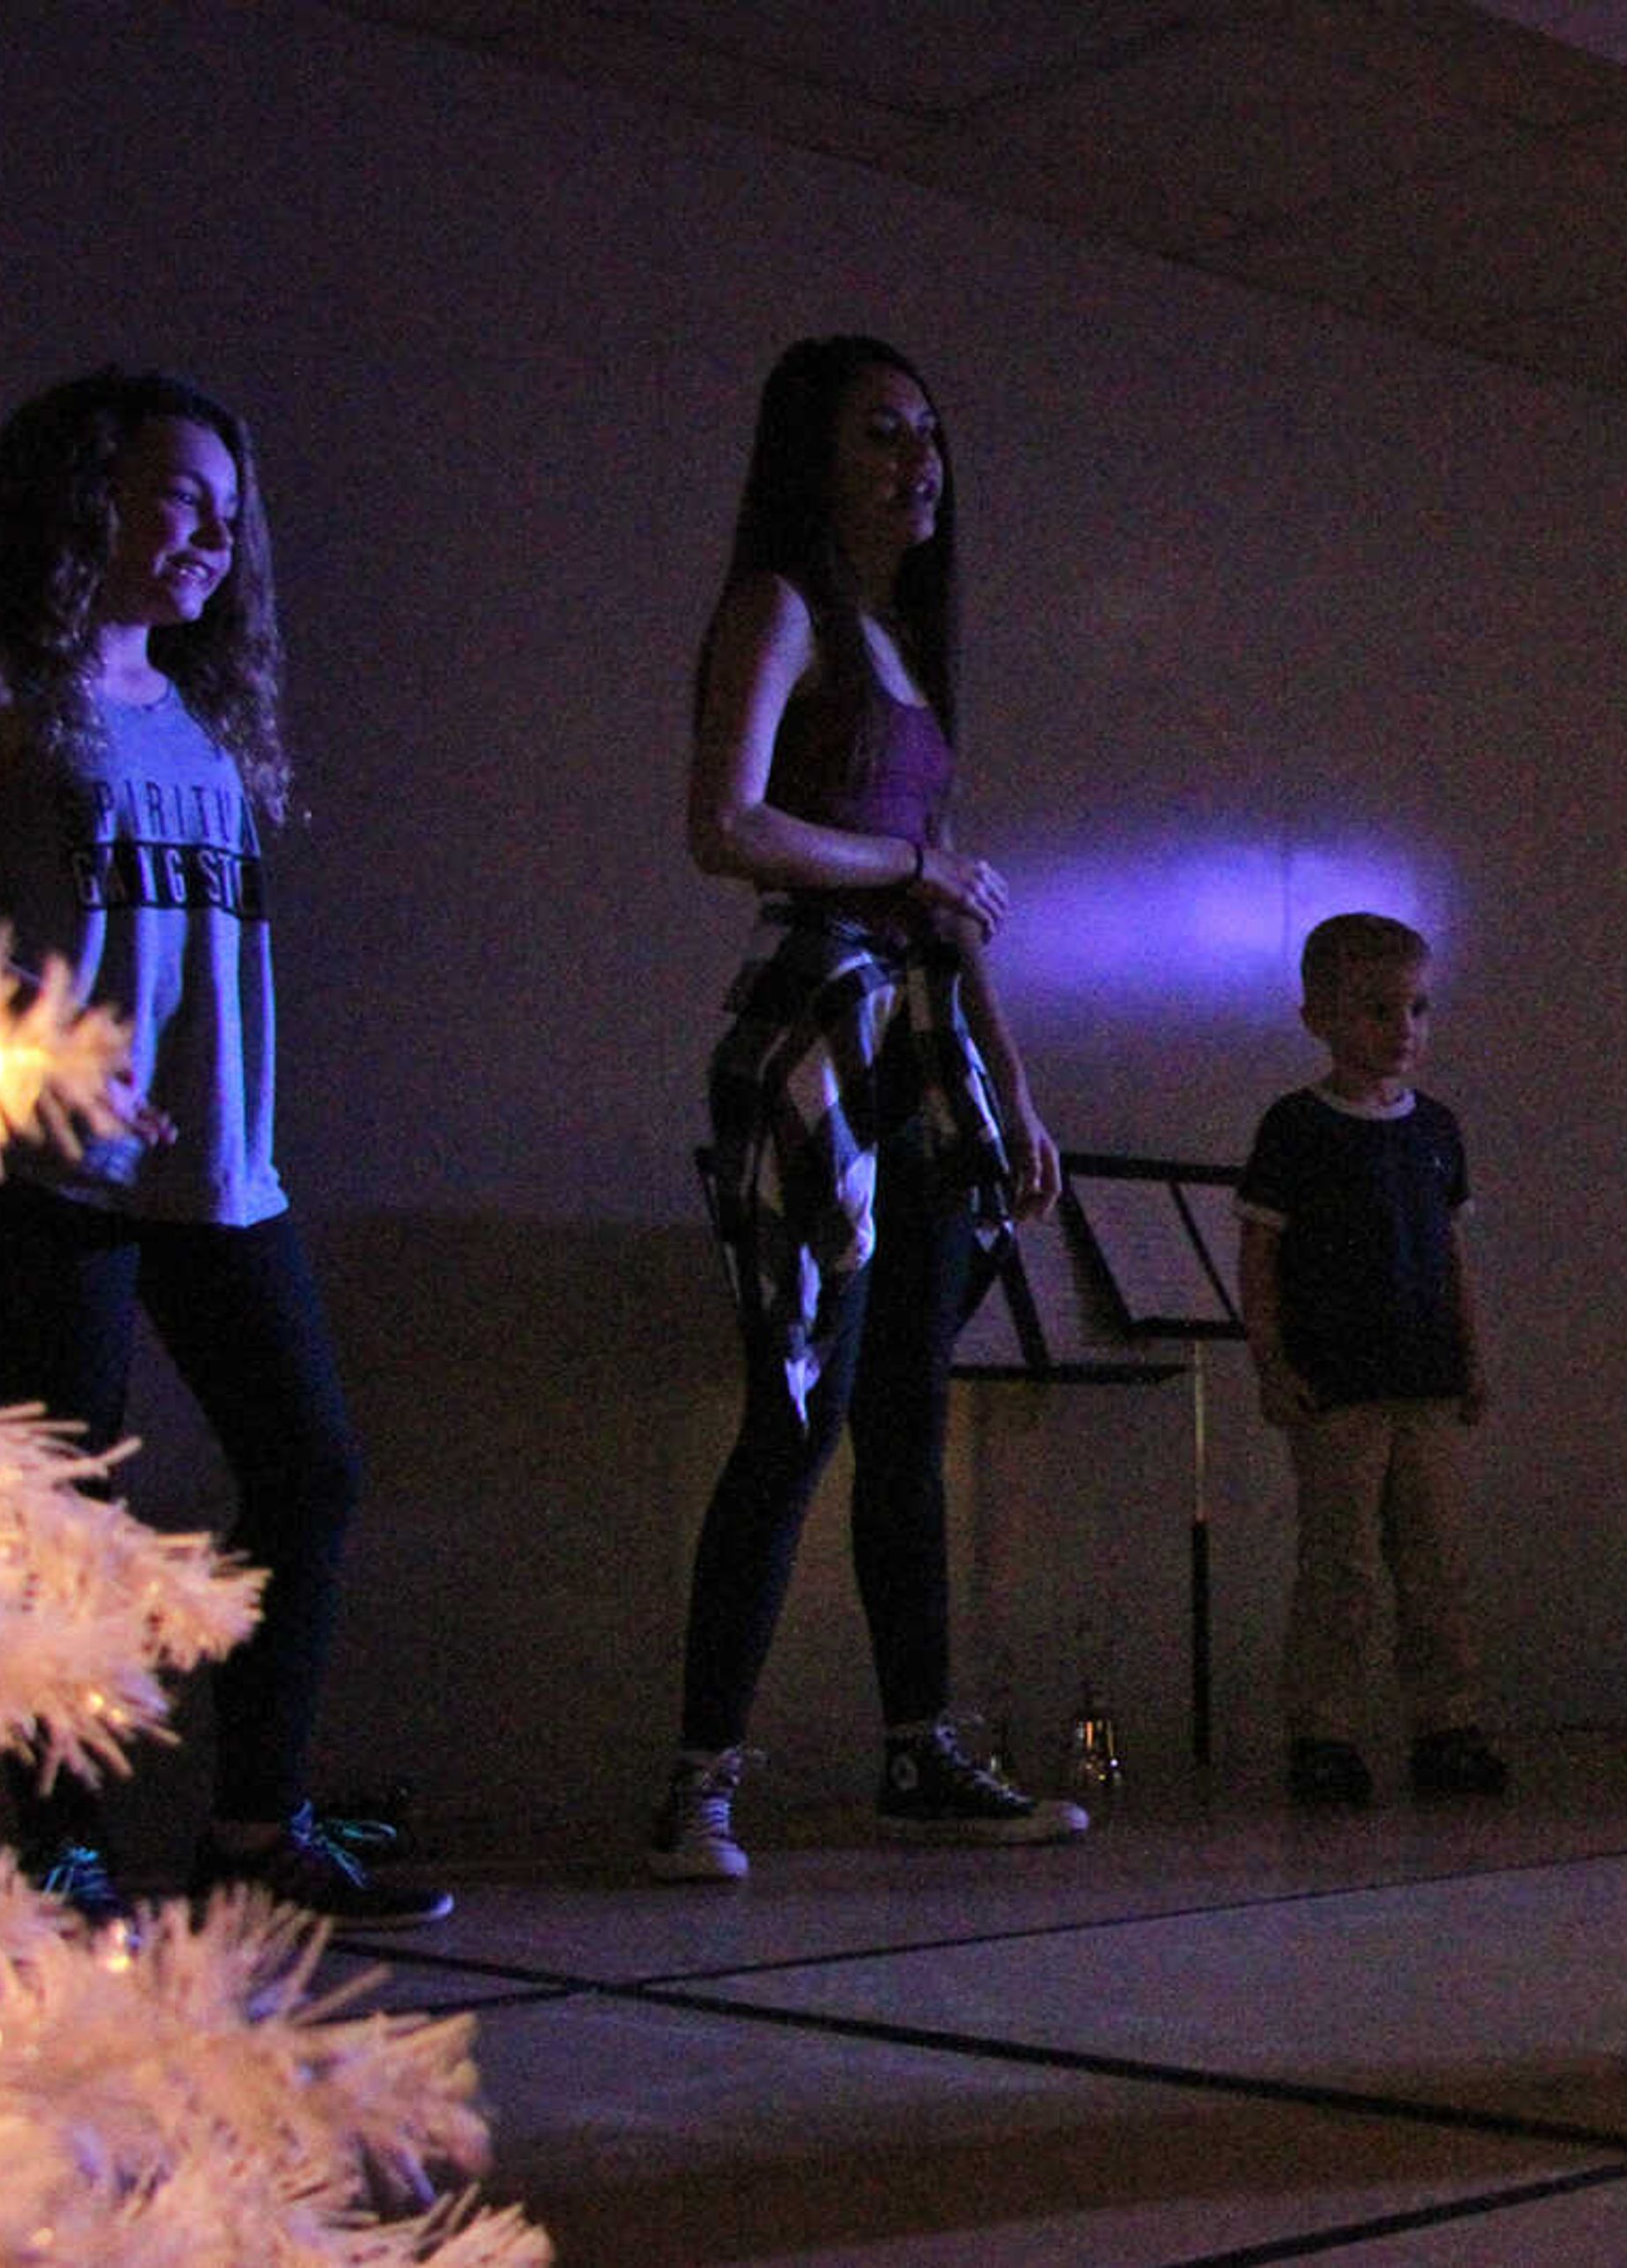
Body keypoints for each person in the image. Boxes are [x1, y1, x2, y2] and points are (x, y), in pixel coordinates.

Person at [0, 368, 449, 1930]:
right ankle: (62, 1854)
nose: (211, 536)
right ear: (81, 501)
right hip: (41, 1166)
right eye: (176, 498)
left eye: (226, 509)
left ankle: (252, 1830)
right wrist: (32, 1031)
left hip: (219, 1168)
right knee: (61, 1511)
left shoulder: (201, 712)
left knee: (310, 1470)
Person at [652, 335, 1080, 1882]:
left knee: (909, 1415)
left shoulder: (909, 640)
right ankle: (700, 1779)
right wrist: (903, 872)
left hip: (920, 1041)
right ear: (815, 457)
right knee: (799, 1409)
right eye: (883, 435)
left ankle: (921, 1751)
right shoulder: (781, 606)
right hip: (816, 1028)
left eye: (930, 437)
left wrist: (1015, 1085)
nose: (919, 464)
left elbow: (946, 896)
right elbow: (727, 821)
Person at [1236, 912, 1507, 1807]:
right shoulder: (1296, 1128)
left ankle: (1447, 1722)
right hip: (1338, 1385)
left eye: (1418, 1009)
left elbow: (1452, 1251)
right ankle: (1324, 1731)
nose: (1403, 1031)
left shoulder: (1436, 1129)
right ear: (1318, 1015)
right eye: (1377, 1009)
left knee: (1437, 1559)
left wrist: (1472, 1351)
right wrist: (1272, 1361)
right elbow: (1261, 1255)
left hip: (1424, 1376)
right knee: (1340, 1563)